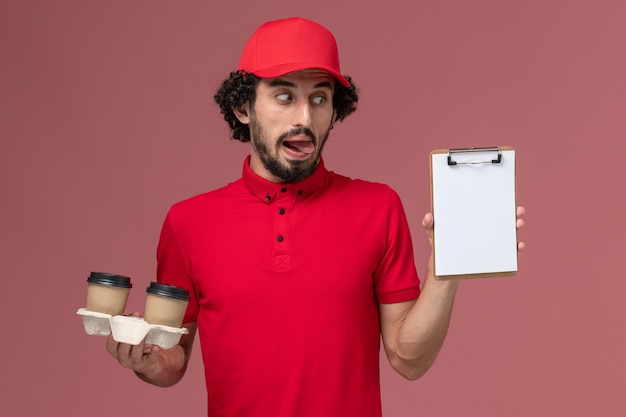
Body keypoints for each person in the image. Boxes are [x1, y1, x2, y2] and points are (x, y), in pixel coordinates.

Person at [106, 16, 525, 417]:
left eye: (319, 98)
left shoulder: (378, 208)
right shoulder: (188, 223)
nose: (304, 118)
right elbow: (173, 362)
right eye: (285, 96)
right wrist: (145, 358)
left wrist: (445, 269)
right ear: (243, 108)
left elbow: (409, 360)